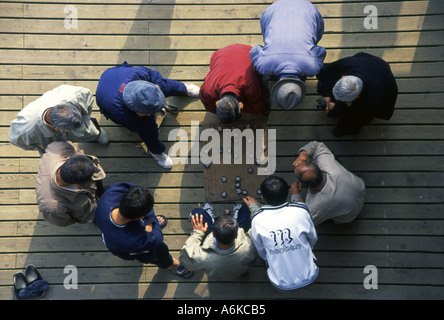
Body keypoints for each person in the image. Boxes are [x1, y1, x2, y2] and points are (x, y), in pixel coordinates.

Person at [95, 61, 200, 168]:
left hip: (114, 76)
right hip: (107, 96)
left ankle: (184, 88)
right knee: (147, 131)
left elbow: (155, 78)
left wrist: (157, 87)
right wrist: (147, 120)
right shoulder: (120, 113)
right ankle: (156, 152)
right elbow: (136, 126)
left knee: (163, 85)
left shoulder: (138, 72)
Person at [94, 182, 192, 277]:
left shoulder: (109, 195)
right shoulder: (135, 241)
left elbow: (131, 187)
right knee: (158, 254)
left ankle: (153, 223)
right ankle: (171, 265)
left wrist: (149, 221)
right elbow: (157, 238)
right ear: (139, 217)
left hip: (108, 234)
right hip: (131, 249)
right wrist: (150, 224)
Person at [243, 175, 318, 291]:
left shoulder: (257, 219)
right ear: (288, 193)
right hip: (311, 276)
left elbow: (262, 251)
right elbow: (313, 239)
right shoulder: (301, 211)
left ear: (263, 198)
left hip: (280, 283)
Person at [249, 0, 326, 110]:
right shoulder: (263, 66)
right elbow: (255, 50)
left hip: (282, 9)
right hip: (292, 9)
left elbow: (321, 51)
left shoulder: (312, 68)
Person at [9, 84, 109, 156]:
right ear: (57, 128)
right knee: (55, 157)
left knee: (86, 129)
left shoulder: (74, 95)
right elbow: (18, 141)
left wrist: (86, 121)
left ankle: (96, 133)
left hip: (76, 125)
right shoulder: (25, 129)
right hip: (47, 140)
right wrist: (40, 145)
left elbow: (88, 99)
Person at [316, 52, 398, 137]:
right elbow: (327, 71)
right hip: (373, 64)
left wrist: (337, 108)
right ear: (343, 77)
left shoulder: (372, 101)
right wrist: (327, 95)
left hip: (384, 89)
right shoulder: (346, 64)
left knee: (352, 125)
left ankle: (343, 129)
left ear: (358, 97)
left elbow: (358, 118)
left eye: (341, 100)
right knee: (324, 82)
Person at [292, 141, 366, 225]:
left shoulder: (317, 204)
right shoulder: (326, 162)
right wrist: (304, 154)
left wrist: (296, 195)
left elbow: (303, 221)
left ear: (304, 185)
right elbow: (317, 145)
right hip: (360, 187)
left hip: (349, 215)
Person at [179, 202, 257, 280]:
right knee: (246, 209)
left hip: (217, 273)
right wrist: (254, 206)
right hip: (240, 269)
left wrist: (198, 232)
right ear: (237, 234)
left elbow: (184, 259)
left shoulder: (202, 256)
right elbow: (257, 230)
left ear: (213, 234)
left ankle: (211, 219)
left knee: (196, 212)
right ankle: (235, 220)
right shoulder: (250, 246)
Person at [35, 141, 106, 227]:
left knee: (101, 192)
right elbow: (63, 221)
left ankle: (101, 194)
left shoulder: (58, 147)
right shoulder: (52, 207)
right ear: (77, 185)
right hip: (88, 212)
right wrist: (84, 217)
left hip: (88, 193)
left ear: (67, 159)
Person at [199, 44, 270, 123]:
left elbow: (257, 107)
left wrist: (244, 109)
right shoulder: (206, 91)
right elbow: (207, 104)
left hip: (249, 52)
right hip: (220, 54)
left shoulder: (251, 87)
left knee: (263, 81)